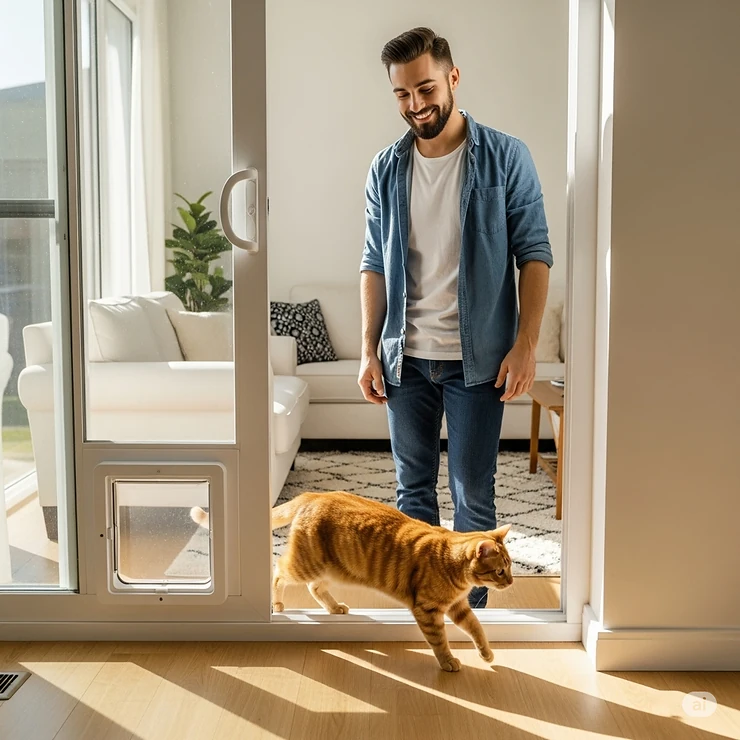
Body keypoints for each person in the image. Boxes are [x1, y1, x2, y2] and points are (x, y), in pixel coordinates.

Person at [358, 27, 553, 609]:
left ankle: (472, 615)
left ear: (453, 78)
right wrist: (370, 349)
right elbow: (373, 262)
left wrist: (526, 345)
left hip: (479, 361)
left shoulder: (505, 156)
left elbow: (534, 254)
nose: (416, 105)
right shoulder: (385, 169)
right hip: (405, 359)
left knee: (473, 497)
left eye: (425, 88)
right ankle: (422, 608)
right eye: (402, 95)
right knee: (410, 494)